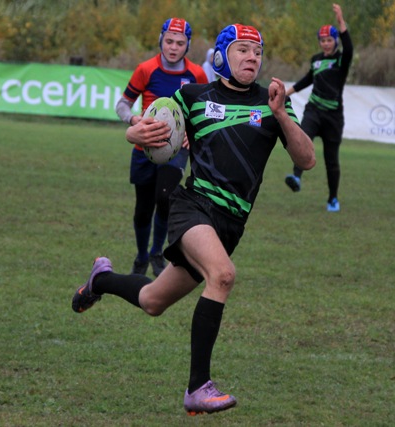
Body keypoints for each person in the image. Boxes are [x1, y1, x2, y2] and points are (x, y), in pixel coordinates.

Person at [72, 24, 315, 415]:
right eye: (242, 49)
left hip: (231, 224)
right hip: (193, 207)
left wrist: (281, 115)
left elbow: (307, 159)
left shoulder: (272, 103)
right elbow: (142, 128)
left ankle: (100, 279)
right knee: (223, 275)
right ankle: (198, 387)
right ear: (221, 56)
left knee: (152, 301)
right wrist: (137, 135)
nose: (252, 57)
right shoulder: (193, 96)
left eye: (257, 51)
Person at [115, 18, 208, 277]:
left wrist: (192, 131)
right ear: (161, 40)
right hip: (144, 148)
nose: (173, 47)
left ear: (188, 45)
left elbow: (204, 112)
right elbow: (122, 104)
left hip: (176, 151)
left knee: (165, 198)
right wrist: (135, 120)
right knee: (143, 209)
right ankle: (141, 256)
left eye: (180, 43)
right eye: (169, 41)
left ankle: (157, 253)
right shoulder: (146, 69)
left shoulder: (197, 75)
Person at [284, 3, 352, 212]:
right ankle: (296, 176)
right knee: (302, 139)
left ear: (335, 41)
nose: (326, 43)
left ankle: (333, 198)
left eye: (329, 40)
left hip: (333, 117)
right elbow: (307, 80)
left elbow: (349, 48)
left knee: (331, 160)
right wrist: (286, 93)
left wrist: (341, 22)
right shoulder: (316, 60)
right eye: (322, 40)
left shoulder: (341, 60)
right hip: (313, 110)